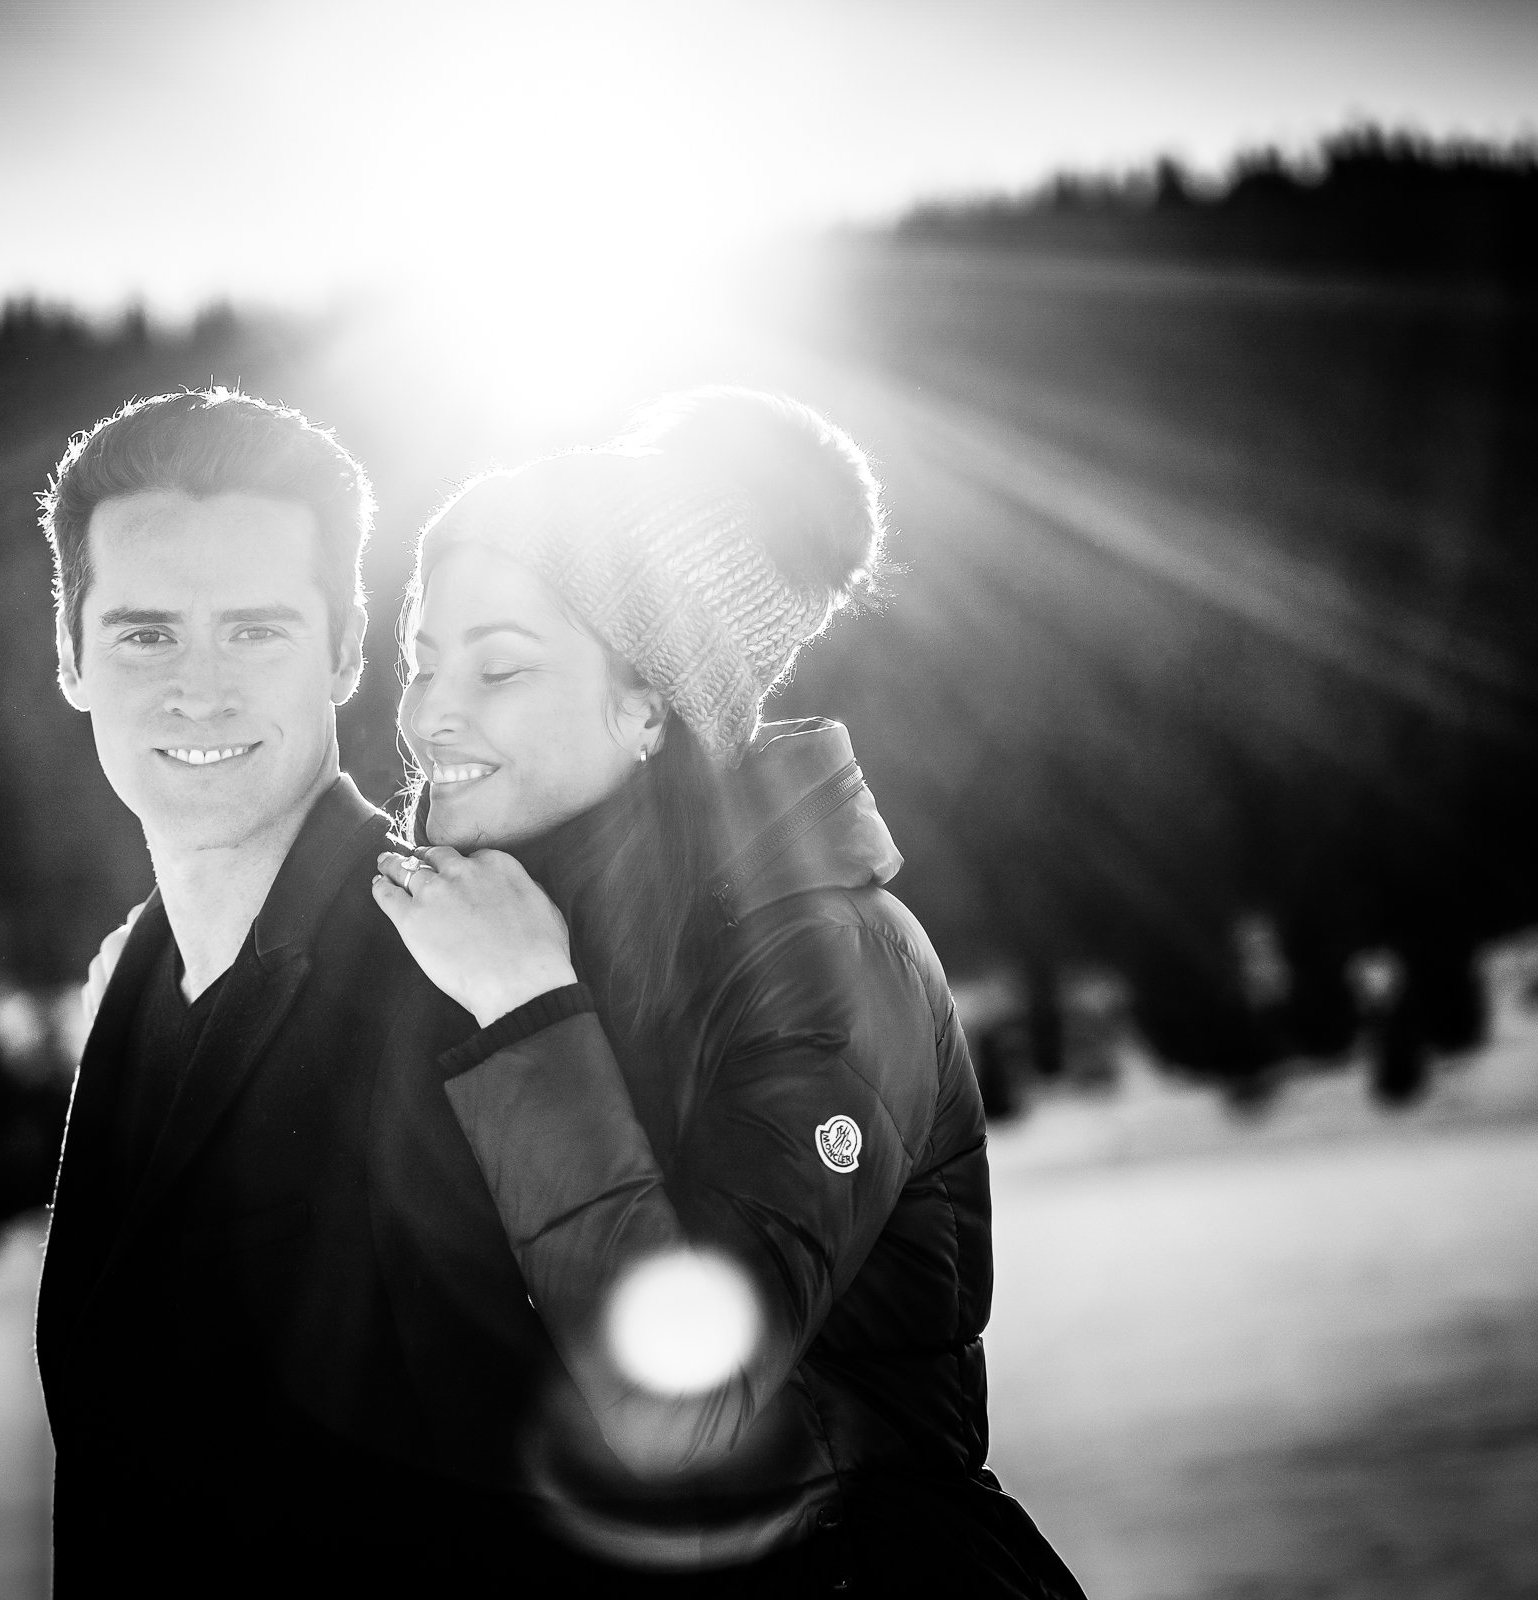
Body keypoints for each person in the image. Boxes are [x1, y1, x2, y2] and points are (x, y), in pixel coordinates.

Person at [365, 389, 1087, 1596]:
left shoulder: (830, 960)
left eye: (499, 666)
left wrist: (529, 1012)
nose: (430, 710)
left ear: (650, 706)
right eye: (422, 658)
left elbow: (685, 1399)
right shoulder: (479, 928)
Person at [32, 388, 481, 1590]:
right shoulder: (132, 980)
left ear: (344, 650)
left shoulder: (449, 967)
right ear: (71, 655)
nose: (199, 691)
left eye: (256, 630)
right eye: (144, 634)